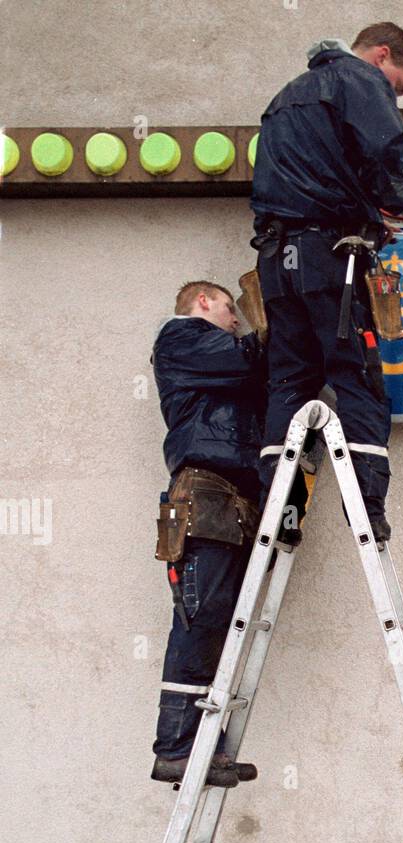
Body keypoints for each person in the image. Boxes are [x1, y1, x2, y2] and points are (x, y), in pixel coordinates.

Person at [249, 22, 403, 543]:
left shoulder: (283, 100)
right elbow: (386, 146)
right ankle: (366, 510)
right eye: (399, 84)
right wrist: (394, 203)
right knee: (358, 379)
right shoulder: (359, 79)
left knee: (290, 384)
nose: (394, 94)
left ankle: (283, 514)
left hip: (278, 263)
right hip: (333, 261)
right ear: (381, 55)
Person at [150, 281, 268, 788]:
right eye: (228, 308)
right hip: (205, 496)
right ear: (202, 302)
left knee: (220, 623)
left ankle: (205, 750)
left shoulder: (215, 360)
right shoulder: (182, 337)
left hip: (232, 502)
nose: (236, 318)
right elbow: (248, 357)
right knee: (201, 619)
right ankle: (176, 748)